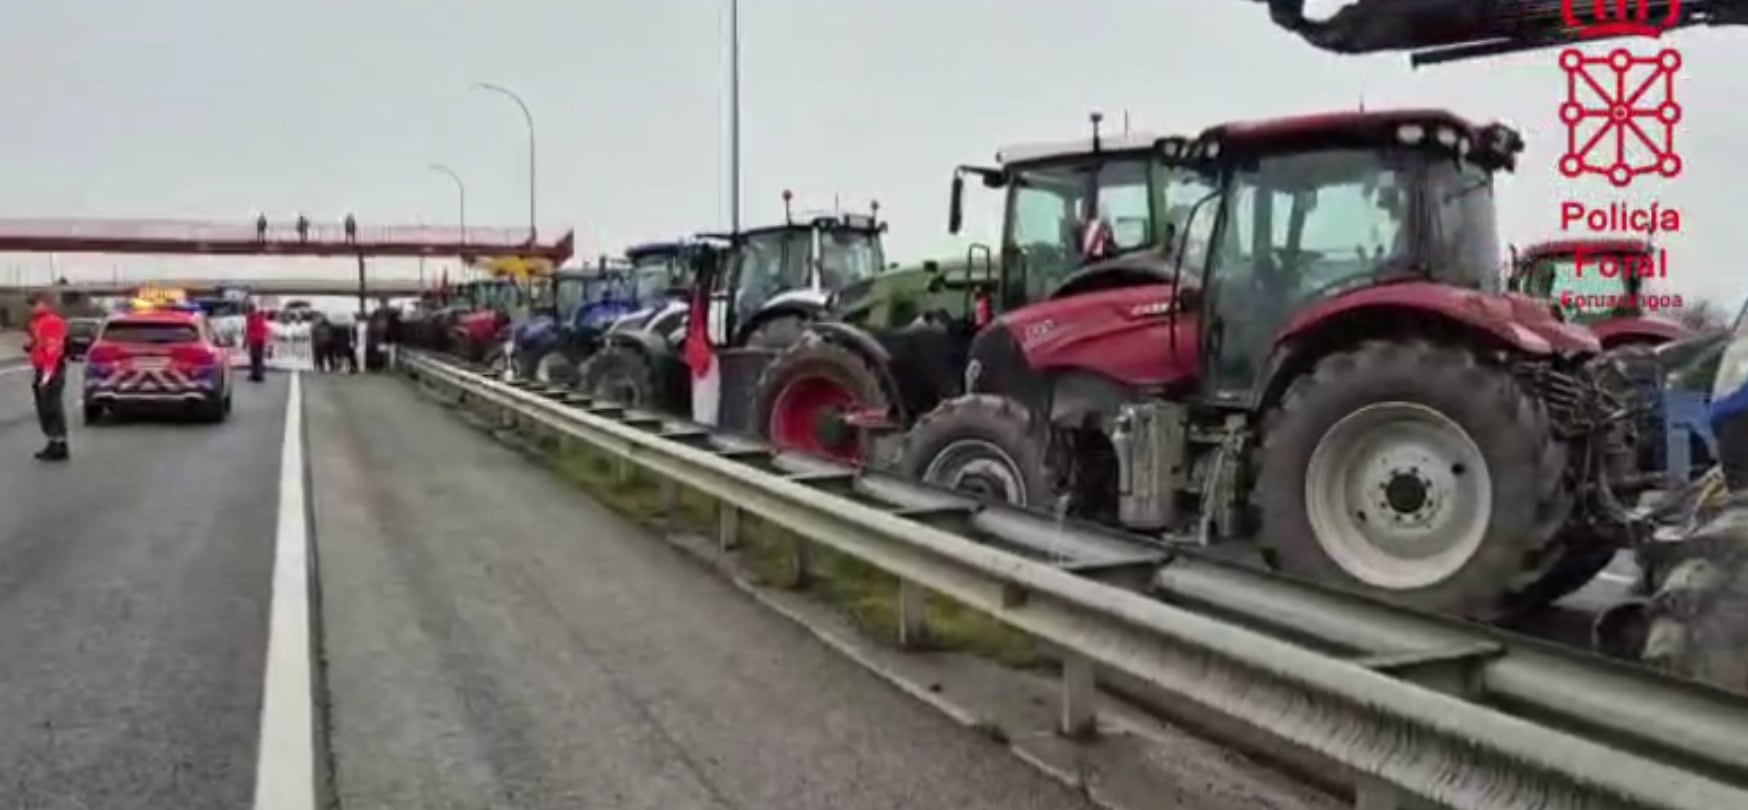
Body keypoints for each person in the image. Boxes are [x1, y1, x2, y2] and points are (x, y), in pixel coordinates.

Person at [25, 294, 69, 461]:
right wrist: (31, 346)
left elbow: (53, 350)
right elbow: (39, 343)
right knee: (44, 407)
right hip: (40, 368)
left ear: (45, 304)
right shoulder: (35, 323)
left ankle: (59, 444)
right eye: (31, 305)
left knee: (52, 406)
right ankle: (52, 441)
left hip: (51, 369)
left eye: (35, 304)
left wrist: (46, 376)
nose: (32, 308)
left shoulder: (52, 322)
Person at [244, 302, 270, 382]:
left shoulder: (250, 317)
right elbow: (265, 328)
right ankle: (258, 374)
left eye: (247, 309)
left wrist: (245, 342)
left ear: (249, 309)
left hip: (254, 340)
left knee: (255, 358)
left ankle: (256, 375)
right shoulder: (260, 316)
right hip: (261, 339)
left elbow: (248, 330)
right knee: (259, 358)